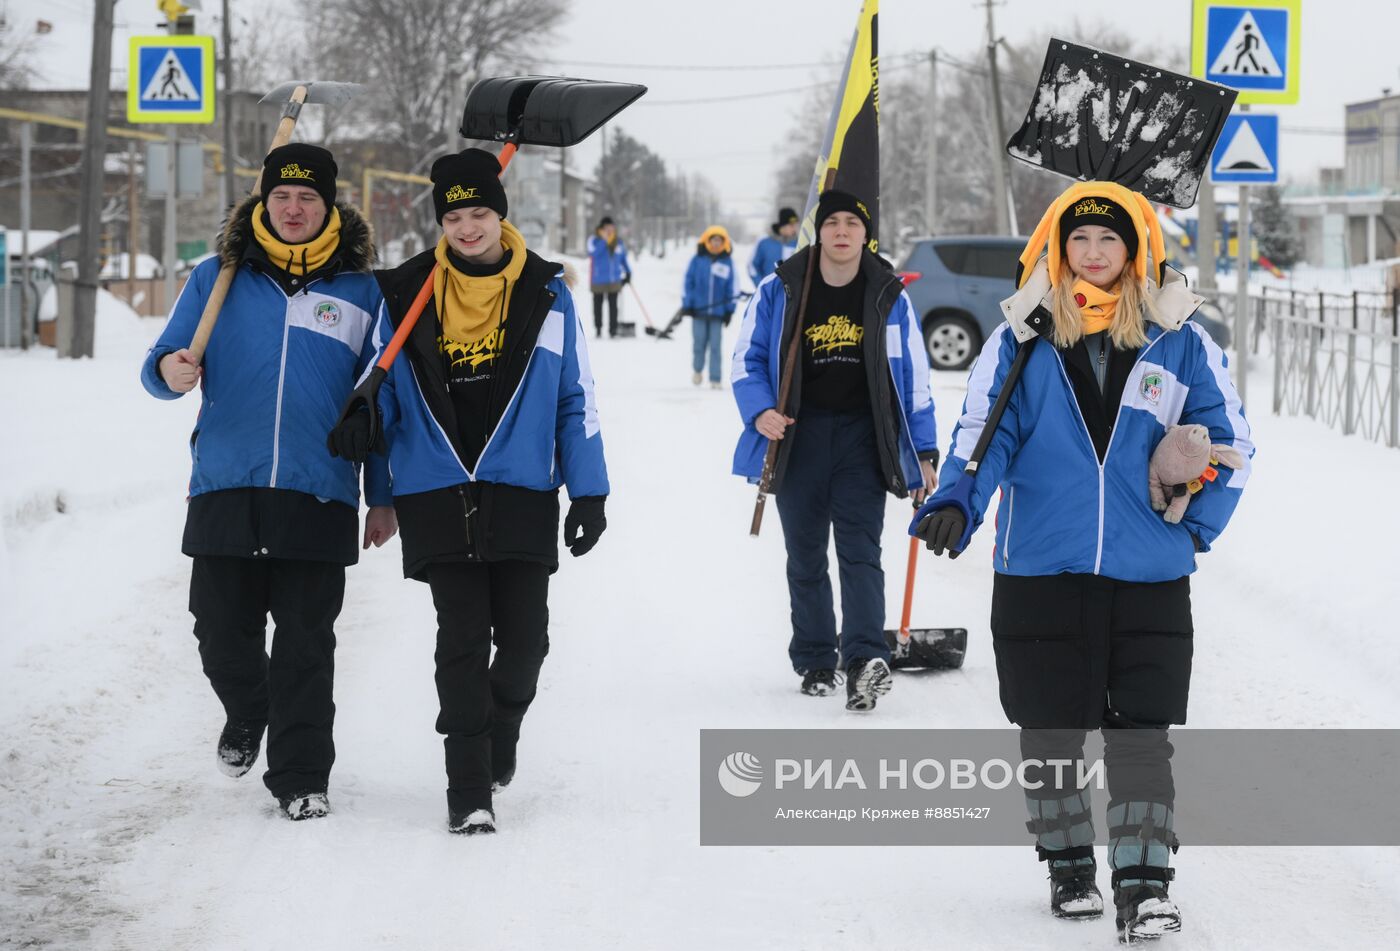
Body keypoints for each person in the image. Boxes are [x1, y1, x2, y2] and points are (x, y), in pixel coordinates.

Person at [912, 181, 1254, 940]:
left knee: (1142, 731)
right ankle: (1069, 864)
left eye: (1109, 240)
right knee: (1049, 728)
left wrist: (1192, 526)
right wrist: (959, 503)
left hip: (1148, 572)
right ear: (1056, 248)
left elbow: (1230, 445)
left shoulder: (1180, 339)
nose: (1094, 254)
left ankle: (1143, 881)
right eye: (1079, 240)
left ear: (1135, 248)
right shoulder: (1023, 337)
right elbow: (984, 430)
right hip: (1040, 563)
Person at [327, 148, 609, 836]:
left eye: (479, 211)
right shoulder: (407, 290)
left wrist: (589, 489)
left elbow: (574, 395)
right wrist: (376, 467)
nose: (468, 226)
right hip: (436, 487)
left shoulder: (547, 290)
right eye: (454, 215)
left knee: (524, 644)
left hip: (520, 488)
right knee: (459, 639)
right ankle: (469, 785)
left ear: (500, 214)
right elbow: (384, 393)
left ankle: (501, 725)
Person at [140, 143, 397, 822]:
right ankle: (251, 709)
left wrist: (384, 494)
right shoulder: (217, 277)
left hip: (320, 489)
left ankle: (301, 777)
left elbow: (380, 405)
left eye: (307, 198)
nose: (292, 208)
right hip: (226, 480)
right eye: (282, 196)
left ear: (330, 205)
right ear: (263, 201)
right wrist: (169, 371)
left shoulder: (362, 293)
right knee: (219, 631)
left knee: (307, 646)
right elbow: (162, 358)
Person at [731, 190, 939, 711]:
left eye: (852, 223)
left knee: (860, 553)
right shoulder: (781, 288)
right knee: (805, 556)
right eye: (832, 223)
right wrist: (760, 411)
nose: (842, 232)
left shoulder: (889, 295)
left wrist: (925, 451)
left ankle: (865, 659)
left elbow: (913, 379)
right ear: (818, 231)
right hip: (797, 438)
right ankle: (817, 658)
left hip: (862, 441)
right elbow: (746, 359)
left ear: (866, 234)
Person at [683, 225, 737, 389]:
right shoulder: (697, 260)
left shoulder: (727, 261)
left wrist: (729, 310)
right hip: (698, 310)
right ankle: (697, 371)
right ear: (707, 241)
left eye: (719, 240)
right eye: (713, 240)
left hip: (718, 313)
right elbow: (688, 282)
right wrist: (688, 304)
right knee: (699, 343)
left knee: (715, 346)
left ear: (724, 242)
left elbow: (731, 287)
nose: (715, 243)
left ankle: (715, 378)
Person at [586, 216, 631, 338]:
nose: (610, 230)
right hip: (598, 279)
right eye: (607, 228)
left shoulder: (617, 241)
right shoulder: (594, 240)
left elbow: (622, 258)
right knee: (598, 306)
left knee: (613, 306)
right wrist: (604, 240)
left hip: (614, 279)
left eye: (611, 227)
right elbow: (592, 253)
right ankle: (598, 328)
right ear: (602, 228)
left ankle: (613, 330)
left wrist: (628, 272)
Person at [748, 206, 799, 287]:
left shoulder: (798, 243)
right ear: (783, 225)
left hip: (793, 295)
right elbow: (752, 266)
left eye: (795, 225)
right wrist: (762, 286)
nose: (794, 228)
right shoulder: (764, 243)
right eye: (791, 225)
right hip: (768, 293)